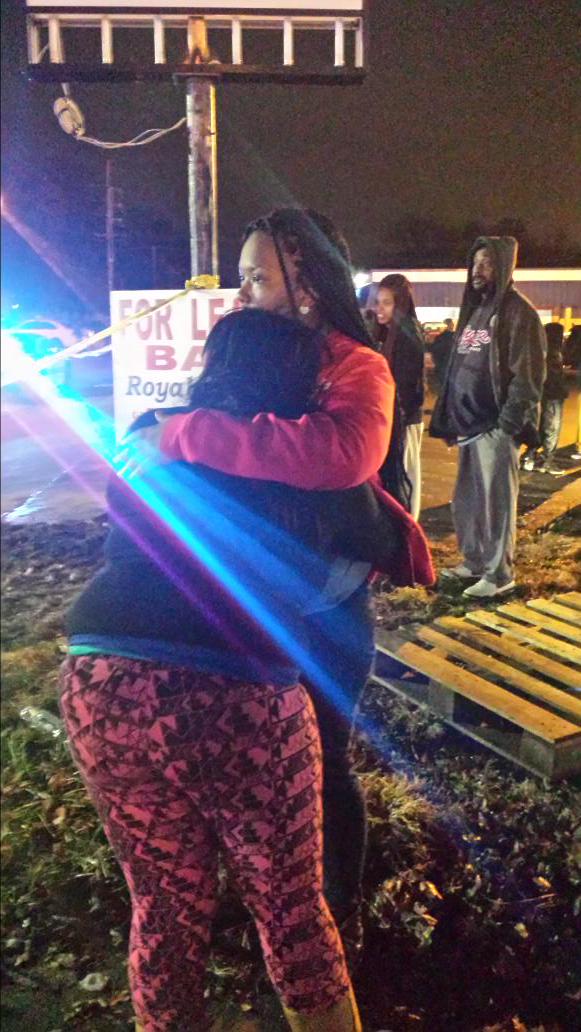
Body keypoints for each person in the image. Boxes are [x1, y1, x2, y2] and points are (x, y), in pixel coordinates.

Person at [63, 307, 393, 1032]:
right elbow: (343, 564)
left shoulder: (150, 430)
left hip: (100, 676)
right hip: (232, 692)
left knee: (163, 903)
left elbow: (121, 515)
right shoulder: (305, 464)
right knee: (290, 909)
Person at [118, 208, 435, 961]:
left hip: (327, 608)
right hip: (252, 605)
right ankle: (276, 906)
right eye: (242, 278)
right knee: (256, 772)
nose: (242, 295)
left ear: (307, 287)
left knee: (323, 763)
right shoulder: (256, 347)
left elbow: (341, 455)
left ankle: (336, 916)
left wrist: (182, 436)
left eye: (257, 279)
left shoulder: (357, 365)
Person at [430, 236, 546, 598]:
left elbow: (528, 377)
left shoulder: (518, 312)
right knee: (468, 503)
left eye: (488, 263)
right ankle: (475, 562)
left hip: (495, 427)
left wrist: (507, 425)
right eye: (475, 263)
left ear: (504, 267)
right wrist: (449, 418)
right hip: (467, 425)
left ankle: (499, 575)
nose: (478, 271)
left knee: (496, 505)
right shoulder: (476, 310)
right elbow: (458, 368)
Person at [370, 273, 426, 521]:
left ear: (400, 304)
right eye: (378, 302)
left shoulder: (407, 333)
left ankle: (409, 525)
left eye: (387, 303)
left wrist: (398, 417)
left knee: (406, 474)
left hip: (405, 418)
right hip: (391, 416)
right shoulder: (385, 334)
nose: (379, 309)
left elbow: (407, 384)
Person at [520, 322, 568, 473]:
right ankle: (547, 461)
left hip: (542, 394)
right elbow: (553, 376)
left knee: (541, 426)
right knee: (552, 428)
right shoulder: (553, 353)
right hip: (553, 395)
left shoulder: (538, 350)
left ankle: (530, 456)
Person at [430, 318, 455, 389]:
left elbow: (434, 350)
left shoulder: (440, 337)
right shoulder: (454, 336)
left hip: (442, 362)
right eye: (451, 324)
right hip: (448, 362)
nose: (452, 325)